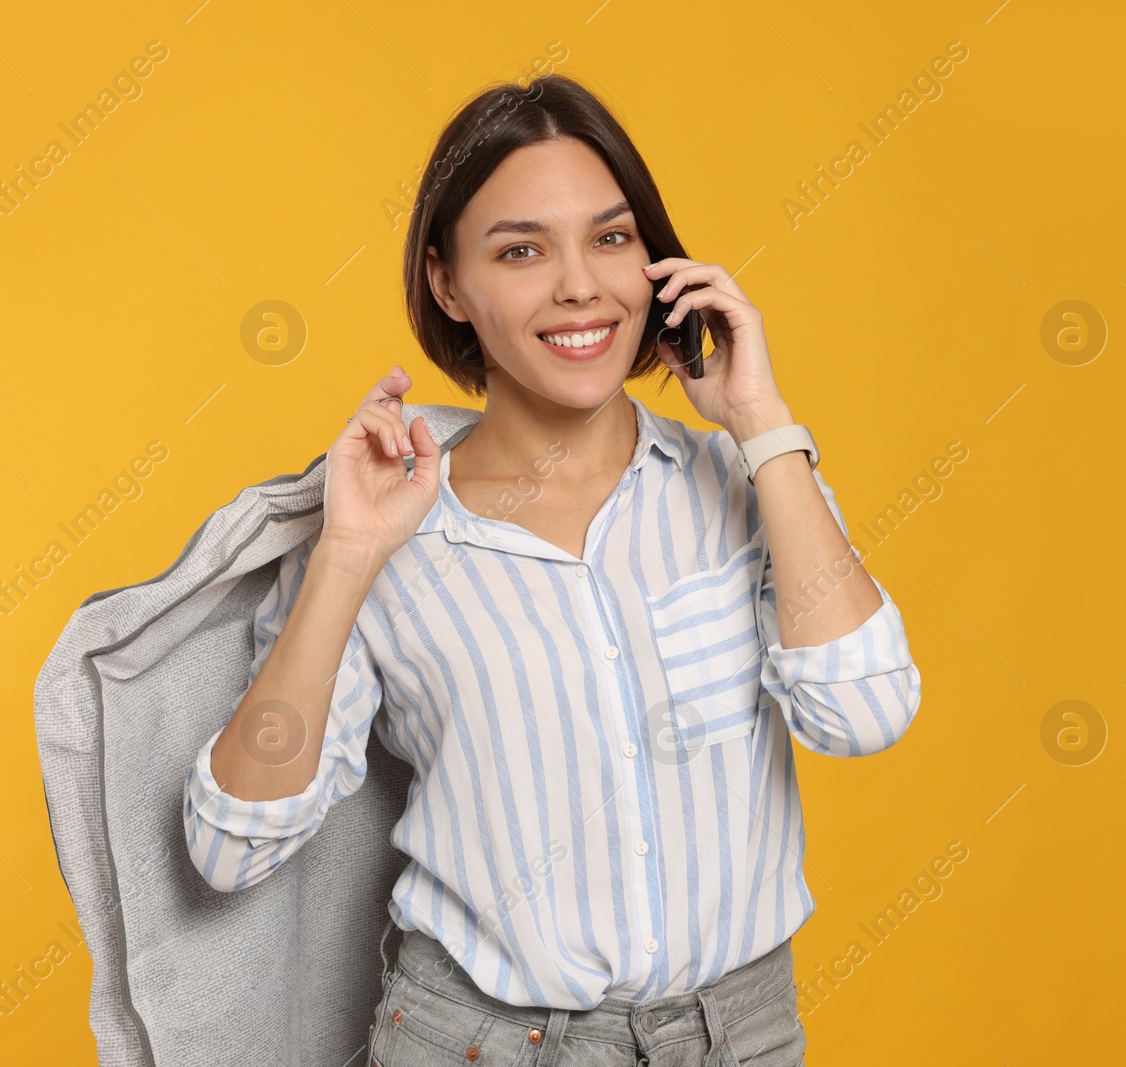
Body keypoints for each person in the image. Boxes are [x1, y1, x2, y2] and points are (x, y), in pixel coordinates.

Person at [184, 72, 921, 1067]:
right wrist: (349, 554)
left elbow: (865, 713)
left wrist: (760, 422)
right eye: (521, 249)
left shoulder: (747, 484)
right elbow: (230, 849)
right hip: (479, 1041)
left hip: (735, 1037)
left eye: (611, 238)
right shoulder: (385, 530)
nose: (580, 285)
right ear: (448, 283)